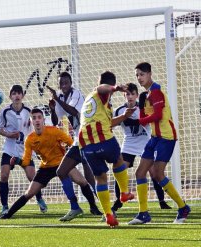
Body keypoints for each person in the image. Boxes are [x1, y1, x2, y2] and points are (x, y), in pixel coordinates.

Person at [128, 62, 190, 225]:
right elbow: (144, 122)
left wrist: (141, 117)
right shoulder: (146, 95)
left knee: (157, 173)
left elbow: (157, 116)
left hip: (166, 137)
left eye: (141, 74)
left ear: (149, 74)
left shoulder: (156, 92)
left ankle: (183, 207)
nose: (139, 78)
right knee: (140, 173)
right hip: (155, 137)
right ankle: (143, 214)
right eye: (137, 75)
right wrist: (141, 107)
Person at [0, 108, 84, 220]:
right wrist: (17, 160)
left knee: (82, 181)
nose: (37, 120)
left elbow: (71, 143)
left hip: (61, 163)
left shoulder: (54, 131)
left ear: (43, 119)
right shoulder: (30, 139)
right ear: (31, 121)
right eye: (34, 118)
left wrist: (71, 154)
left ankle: (92, 208)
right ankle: (8, 214)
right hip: (45, 167)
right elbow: (26, 161)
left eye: (39, 117)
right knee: (29, 193)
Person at [79, 71, 135, 228]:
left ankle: (108, 215)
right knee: (118, 160)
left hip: (85, 143)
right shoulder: (100, 93)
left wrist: (124, 116)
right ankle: (124, 192)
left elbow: (109, 122)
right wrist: (116, 87)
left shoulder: (94, 103)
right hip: (102, 137)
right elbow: (102, 88)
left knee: (101, 178)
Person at [47, 71, 103, 221]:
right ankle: (75, 207)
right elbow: (54, 121)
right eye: (61, 83)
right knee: (61, 171)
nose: (63, 86)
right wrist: (52, 108)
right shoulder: (59, 97)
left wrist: (57, 100)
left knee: (91, 176)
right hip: (79, 139)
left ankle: (107, 209)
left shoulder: (76, 94)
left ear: (70, 83)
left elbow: (72, 111)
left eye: (66, 82)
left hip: (88, 136)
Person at [111, 83, 171, 212]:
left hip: (145, 142)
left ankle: (162, 201)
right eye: (128, 94)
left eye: (133, 94)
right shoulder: (120, 110)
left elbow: (142, 121)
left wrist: (127, 118)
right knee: (119, 169)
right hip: (129, 143)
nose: (130, 96)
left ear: (137, 95)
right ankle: (118, 200)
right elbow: (112, 124)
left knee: (154, 173)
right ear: (124, 95)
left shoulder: (143, 108)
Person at [0, 85, 47, 217]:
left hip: (25, 149)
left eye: (19, 93)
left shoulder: (29, 110)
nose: (16, 96)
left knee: (32, 177)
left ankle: (39, 199)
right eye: (14, 94)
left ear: (22, 95)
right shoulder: (5, 111)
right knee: (4, 175)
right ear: (10, 96)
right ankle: (4, 206)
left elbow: (36, 125)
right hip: (9, 149)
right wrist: (8, 134)